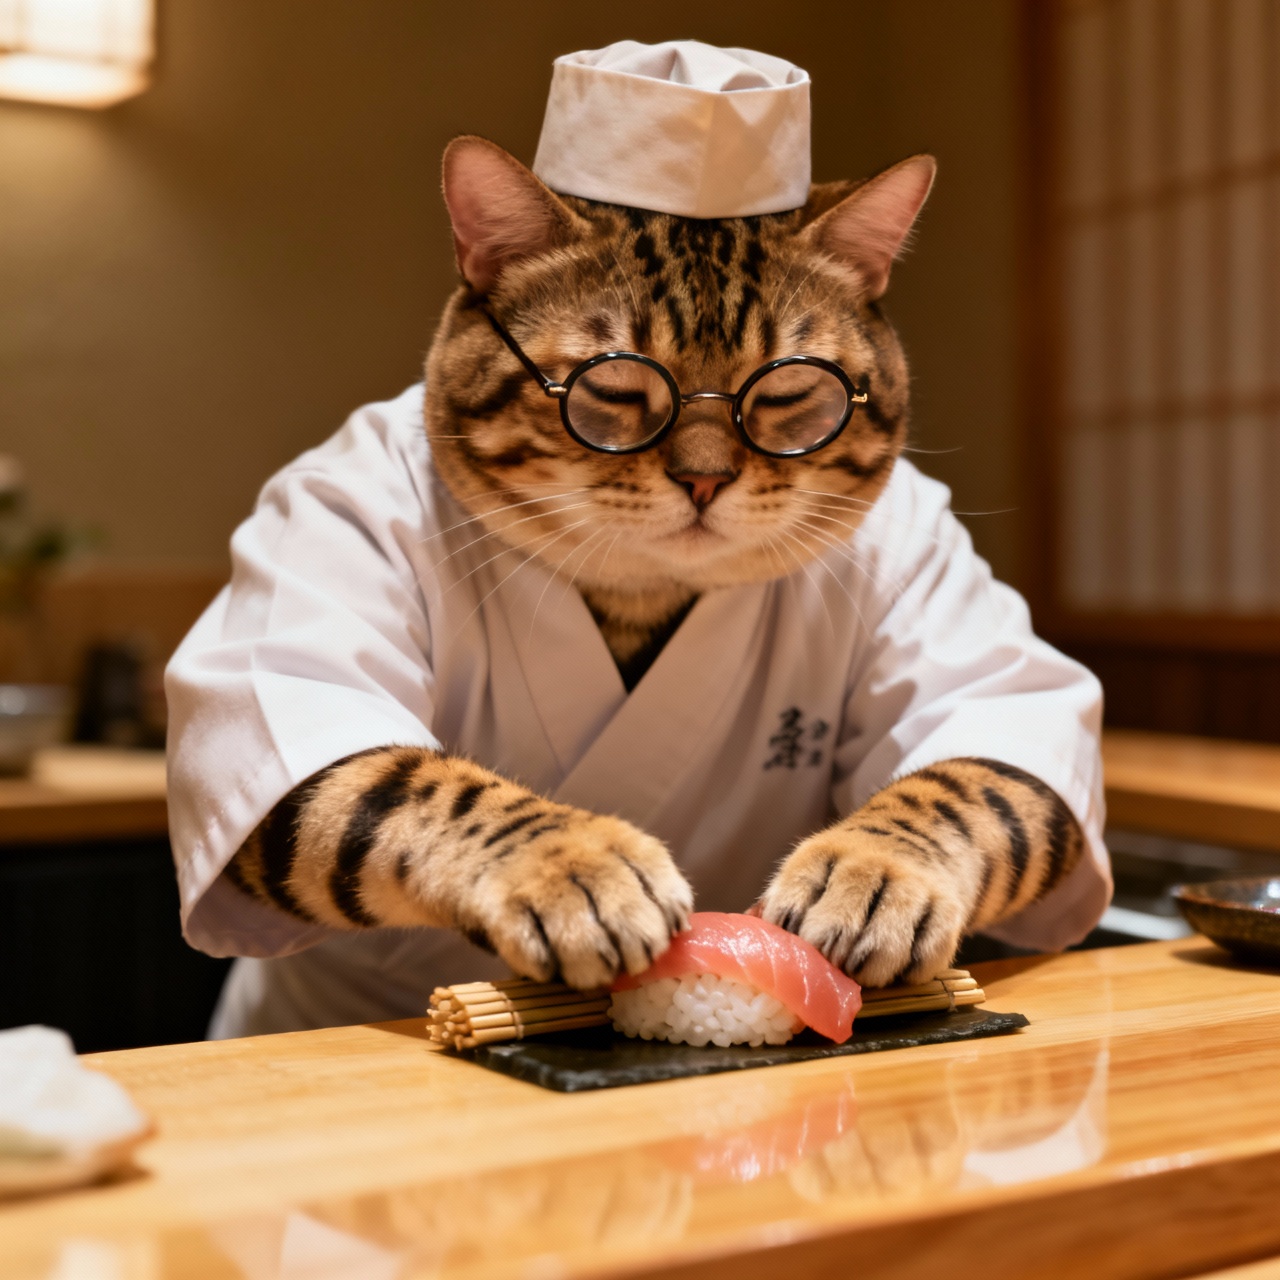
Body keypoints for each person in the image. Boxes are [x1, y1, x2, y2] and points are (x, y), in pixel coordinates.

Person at [166, 41, 1110, 1039]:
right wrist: (502, 850)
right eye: (613, 395)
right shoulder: (365, 495)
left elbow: (1026, 749)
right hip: (366, 1070)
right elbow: (262, 793)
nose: (704, 466)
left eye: (786, 398)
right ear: (484, 281)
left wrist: (922, 846)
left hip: (729, 1072)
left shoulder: (884, 519)